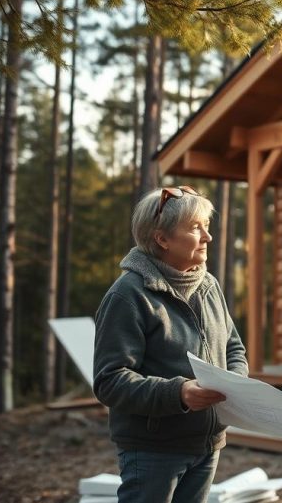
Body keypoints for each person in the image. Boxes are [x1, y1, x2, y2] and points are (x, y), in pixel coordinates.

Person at [93, 185, 248, 503]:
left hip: (208, 444)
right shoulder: (128, 296)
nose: (208, 237)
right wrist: (179, 393)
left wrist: (237, 382)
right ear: (162, 239)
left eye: (208, 226)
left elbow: (233, 346)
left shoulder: (208, 284)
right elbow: (110, 381)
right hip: (153, 450)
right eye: (195, 228)